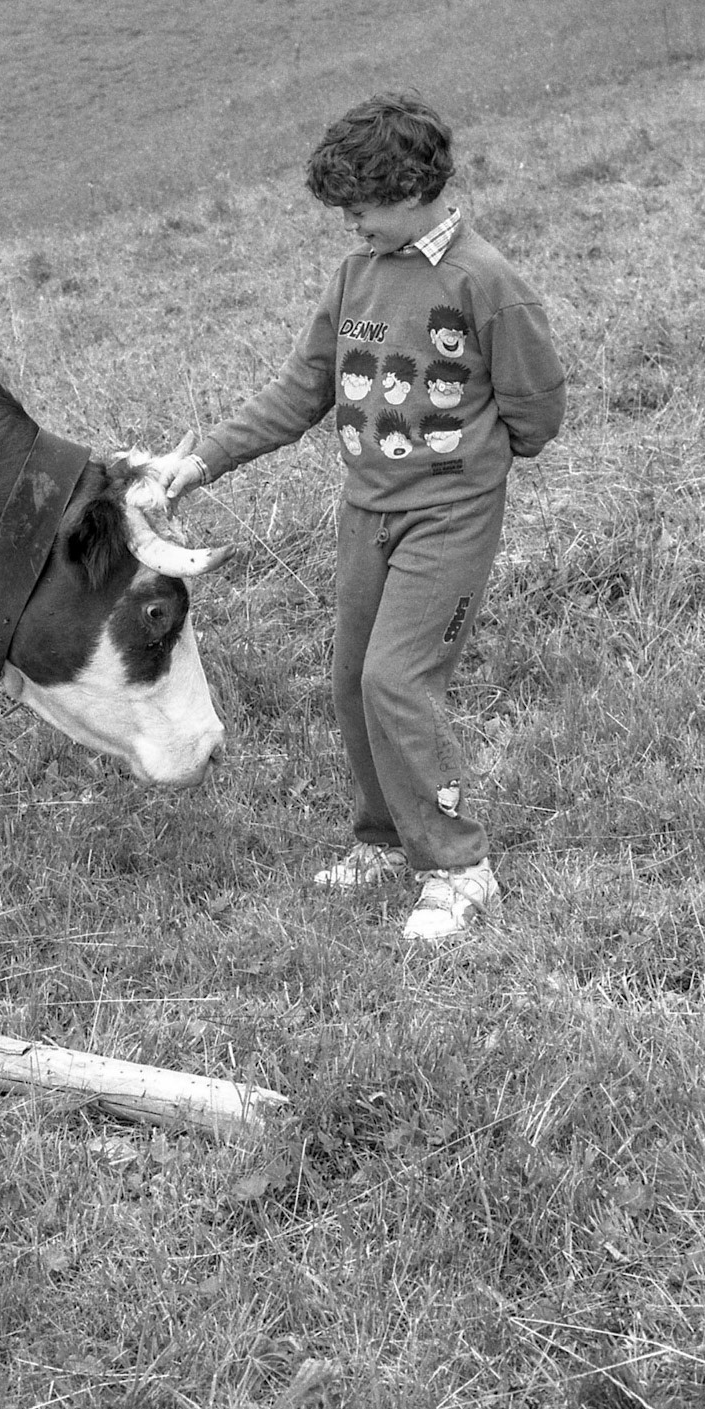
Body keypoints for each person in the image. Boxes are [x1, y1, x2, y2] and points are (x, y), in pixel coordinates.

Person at [155, 94, 566, 942]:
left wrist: (471, 466)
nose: (350, 223)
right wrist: (199, 463)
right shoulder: (355, 276)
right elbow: (302, 389)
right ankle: (384, 836)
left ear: (416, 188)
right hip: (364, 512)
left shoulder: (485, 282)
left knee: (396, 680)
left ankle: (457, 866)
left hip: (448, 518)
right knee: (352, 679)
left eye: (361, 207)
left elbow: (536, 409)